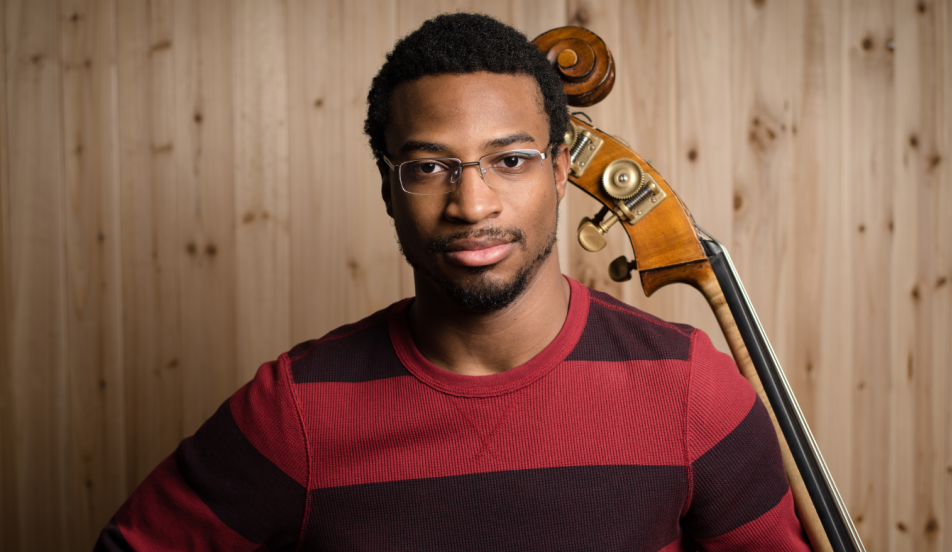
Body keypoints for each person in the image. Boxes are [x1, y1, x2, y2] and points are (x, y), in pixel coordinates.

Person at [96, 13, 810, 551]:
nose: (472, 206)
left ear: (561, 171)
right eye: (431, 167)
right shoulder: (298, 410)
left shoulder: (694, 392)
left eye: (510, 161)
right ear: (388, 187)